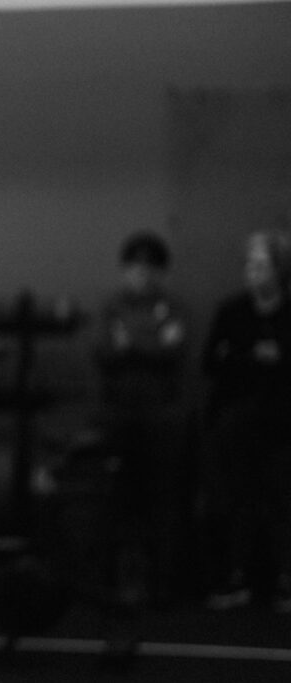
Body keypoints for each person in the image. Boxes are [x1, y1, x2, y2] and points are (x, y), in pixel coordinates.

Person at [93, 231, 188, 606]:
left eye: (150, 268)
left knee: (162, 500)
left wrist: (131, 343)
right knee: (115, 501)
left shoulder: (174, 306)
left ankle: (164, 585)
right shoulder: (111, 306)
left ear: (160, 273)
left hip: (161, 419)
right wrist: (152, 342)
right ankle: (111, 583)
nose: (142, 275)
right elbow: (104, 351)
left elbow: (174, 350)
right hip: (117, 417)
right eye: (134, 267)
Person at [202, 229, 291, 612]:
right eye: (248, 265)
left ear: (279, 270)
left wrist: (253, 360)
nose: (251, 273)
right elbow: (211, 362)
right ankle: (237, 577)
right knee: (237, 499)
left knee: (281, 499)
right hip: (237, 422)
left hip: (284, 423)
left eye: (260, 265)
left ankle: (284, 580)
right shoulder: (232, 311)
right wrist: (254, 358)